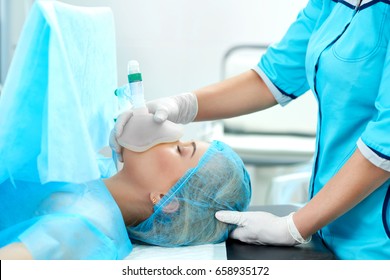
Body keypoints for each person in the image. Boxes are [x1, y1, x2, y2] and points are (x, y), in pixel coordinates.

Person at [111, 0, 390, 259]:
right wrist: (183, 105)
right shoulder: (331, 4)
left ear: (164, 200)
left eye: (182, 147)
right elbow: (272, 76)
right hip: (330, 224)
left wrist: (295, 226)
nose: (174, 133)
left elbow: (385, 139)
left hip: (378, 237)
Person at [0, 124, 252, 260]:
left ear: (166, 199)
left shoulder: (87, 230)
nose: (168, 134)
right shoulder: (102, 173)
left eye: (179, 149)